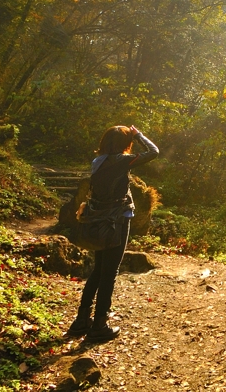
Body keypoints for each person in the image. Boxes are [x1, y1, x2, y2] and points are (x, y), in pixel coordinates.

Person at [65, 125, 159, 343]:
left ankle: (81, 320)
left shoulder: (98, 162)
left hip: (99, 221)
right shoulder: (121, 161)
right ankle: (99, 324)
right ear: (124, 144)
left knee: (98, 271)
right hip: (117, 221)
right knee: (109, 273)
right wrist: (139, 135)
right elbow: (154, 152)